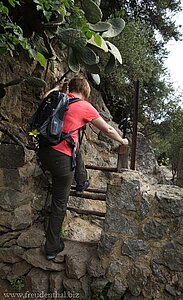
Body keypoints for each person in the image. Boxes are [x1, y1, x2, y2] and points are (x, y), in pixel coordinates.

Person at [38, 76, 128, 260]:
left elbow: (44, 97)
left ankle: (81, 181)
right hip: (61, 160)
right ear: (86, 91)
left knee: (74, 143)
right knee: (59, 204)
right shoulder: (84, 106)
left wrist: (57, 87)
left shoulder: (57, 98)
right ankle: (52, 247)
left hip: (44, 152)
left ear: (69, 88)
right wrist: (122, 140)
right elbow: (108, 130)